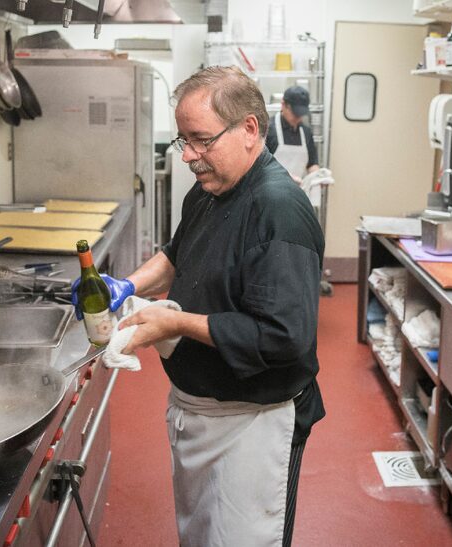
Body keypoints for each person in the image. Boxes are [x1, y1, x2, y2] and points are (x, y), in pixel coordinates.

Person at [73, 66, 325, 547]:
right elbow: (176, 252)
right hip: (201, 409)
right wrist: (125, 286)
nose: (189, 156)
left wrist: (174, 322)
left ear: (249, 129)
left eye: (201, 140)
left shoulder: (279, 210)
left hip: (252, 423)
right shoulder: (210, 189)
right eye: (183, 141)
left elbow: (283, 337)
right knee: (203, 535)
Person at [265, 85, 320, 185]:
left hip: (297, 192)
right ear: (283, 105)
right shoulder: (267, 130)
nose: (298, 117)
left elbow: (312, 164)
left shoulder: (306, 132)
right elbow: (260, 166)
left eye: (301, 113)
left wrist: (318, 176)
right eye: (295, 113)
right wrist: (284, 175)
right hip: (271, 192)